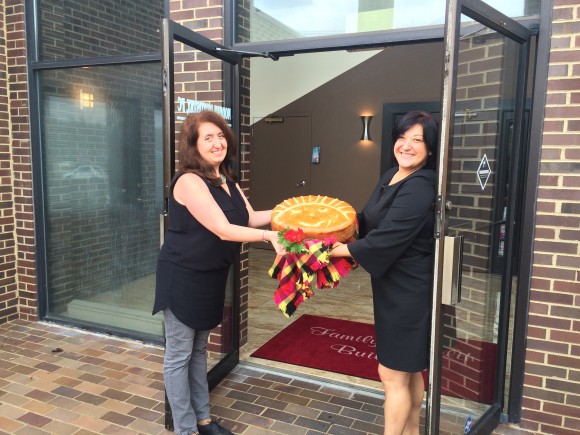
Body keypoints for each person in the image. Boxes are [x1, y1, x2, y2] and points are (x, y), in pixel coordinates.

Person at [153, 110, 284, 435]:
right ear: (193, 145)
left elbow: (248, 218)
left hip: (210, 277)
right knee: (179, 355)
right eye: (208, 137)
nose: (217, 143)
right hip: (182, 276)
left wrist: (289, 211)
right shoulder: (189, 181)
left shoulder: (226, 179)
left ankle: (203, 420)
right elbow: (223, 229)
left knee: (198, 350)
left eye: (221, 136)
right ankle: (185, 430)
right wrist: (269, 237)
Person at [330, 111, 437, 435]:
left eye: (417, 140)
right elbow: (366, 219)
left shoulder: (421, 186)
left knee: (391, 373)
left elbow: (387, 237)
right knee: (409, 369)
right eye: (402, 137)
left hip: (410, 290)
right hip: (392, 285)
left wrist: (326, 251)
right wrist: (328, 226)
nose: (407, 145)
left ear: (430, 148)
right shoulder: (391, 175)